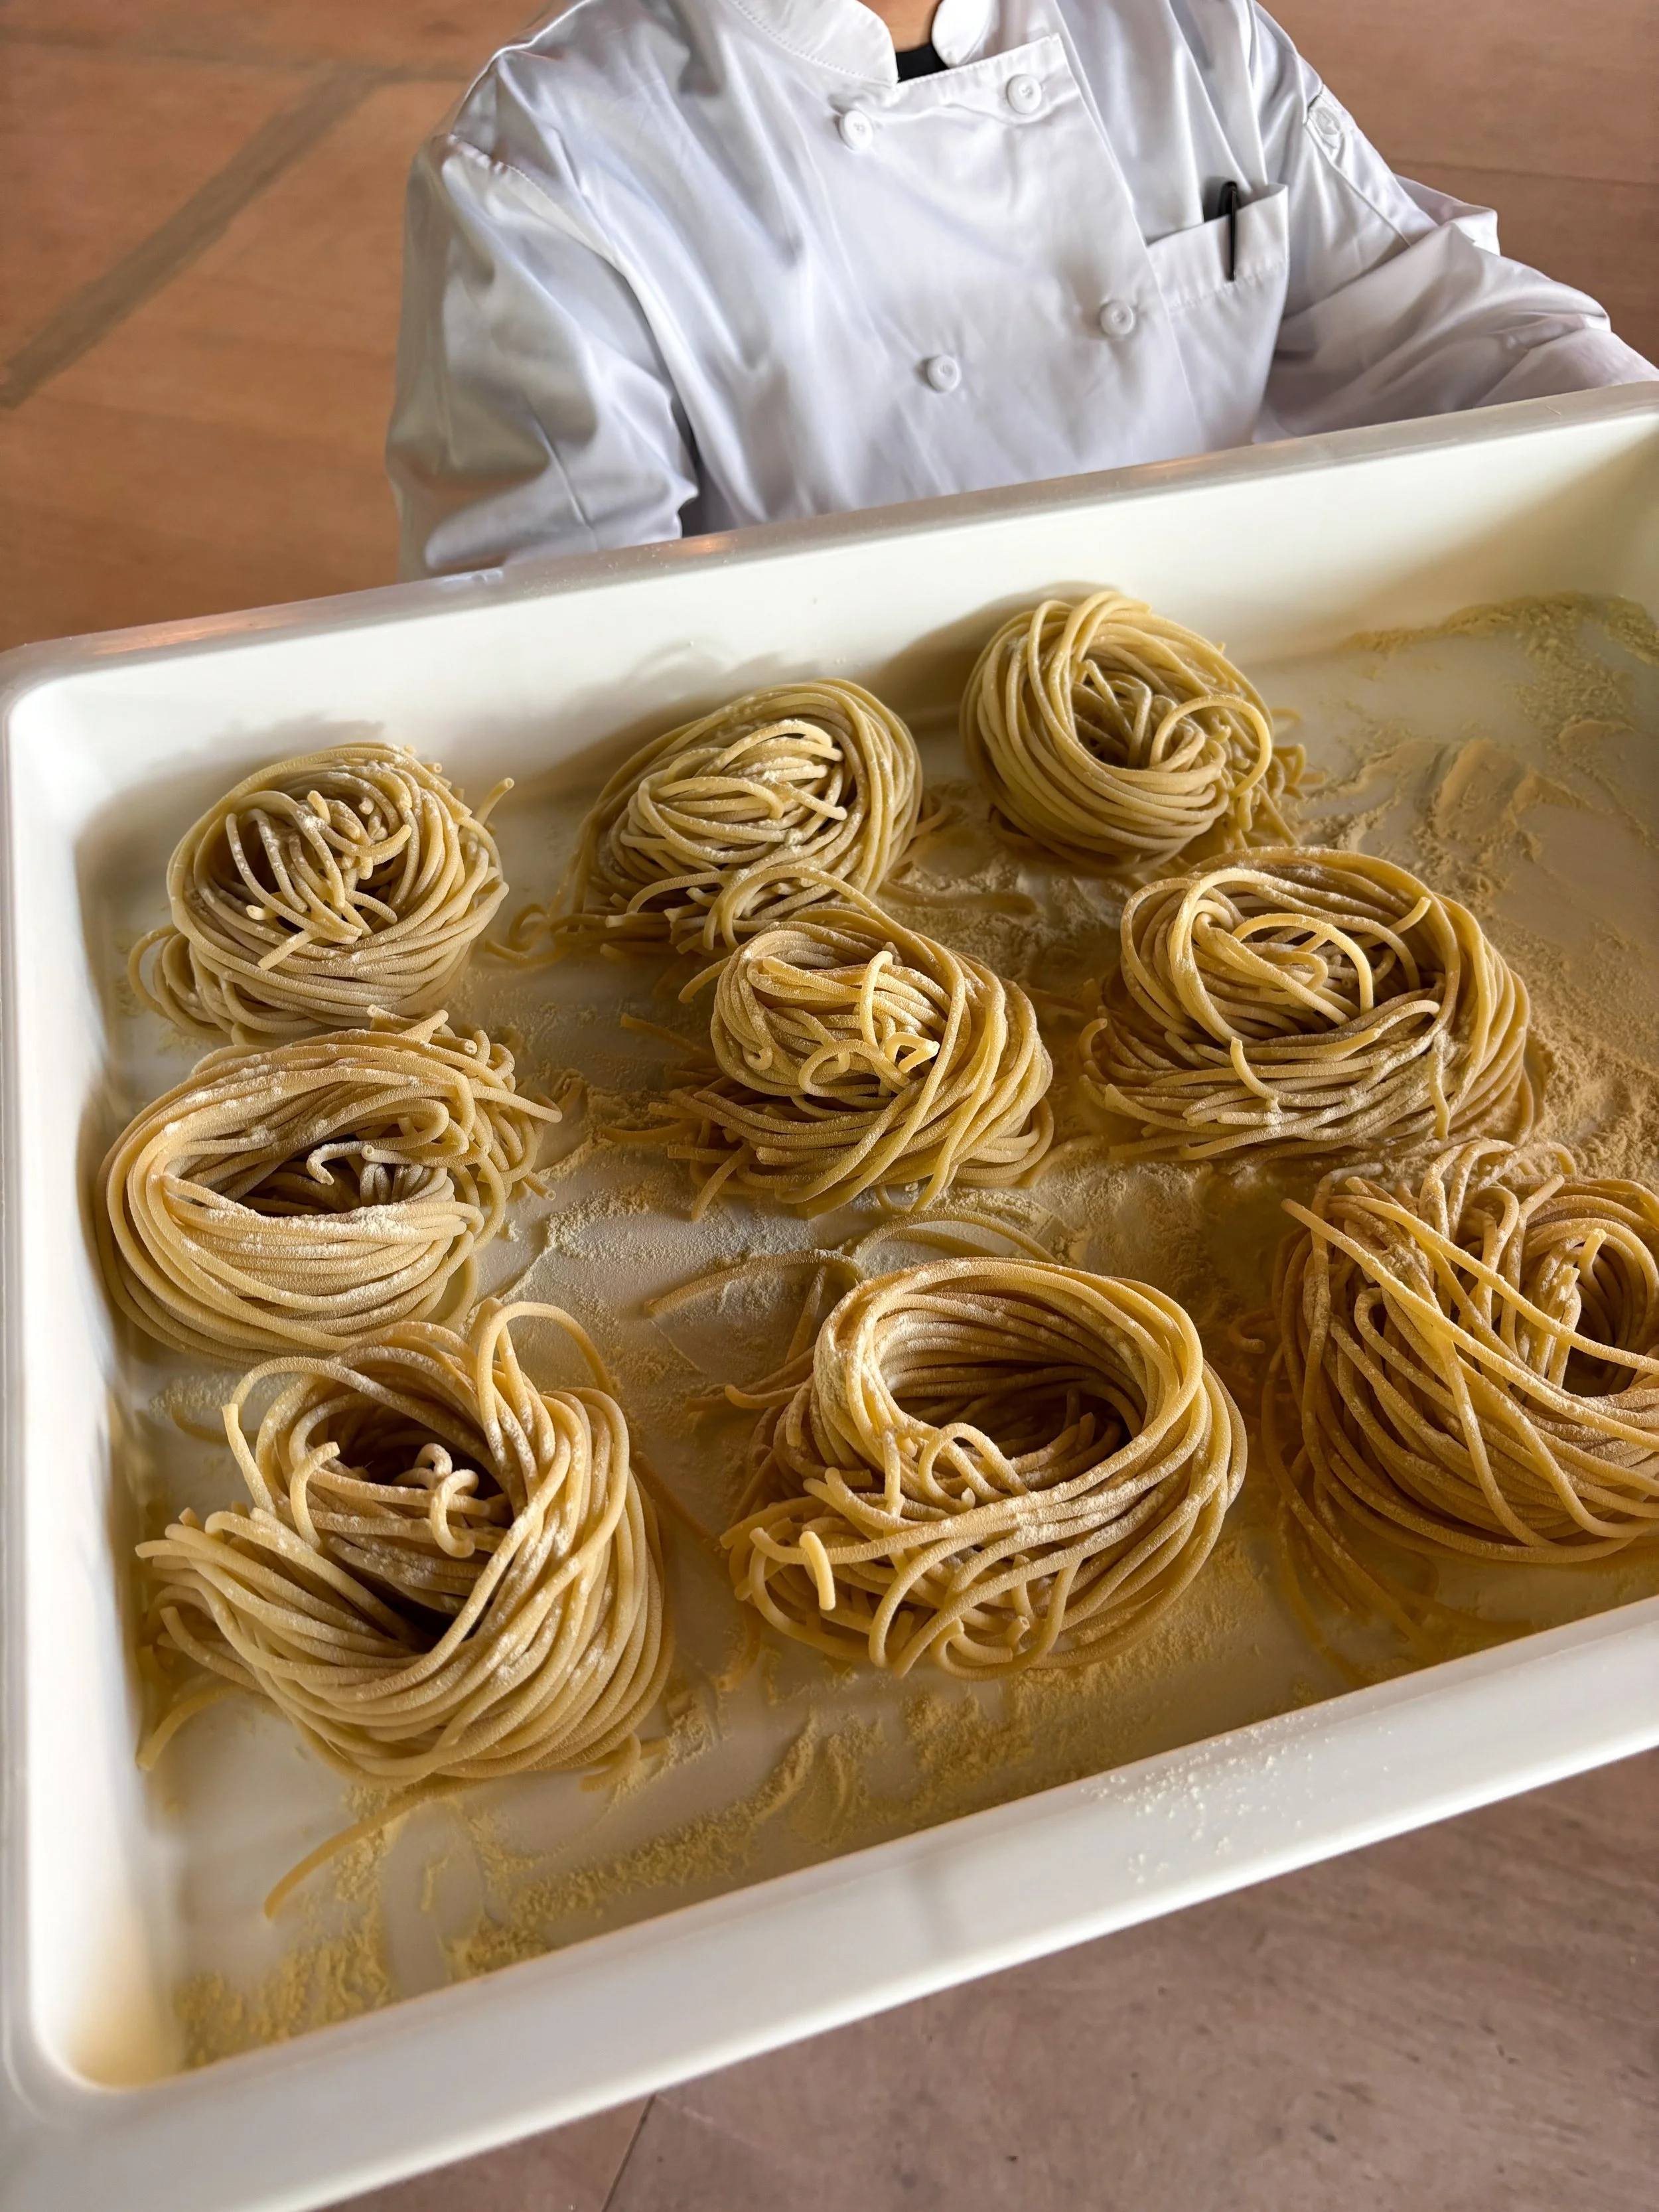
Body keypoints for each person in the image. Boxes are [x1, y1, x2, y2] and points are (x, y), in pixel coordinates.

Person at [387, 0, 1655, 578]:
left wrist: (1636, 440)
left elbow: (1445, 324)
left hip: (1240, 691)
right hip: (845, 795)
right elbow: (546, 617)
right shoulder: (550, 158)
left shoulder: (1182, 28)